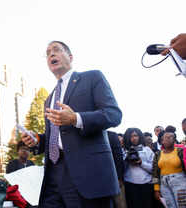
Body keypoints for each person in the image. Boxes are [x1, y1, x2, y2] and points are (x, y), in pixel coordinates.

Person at [22, 40, 122, 207]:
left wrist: (76, 118)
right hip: (53, 174)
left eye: (56, 50)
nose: (51, 54)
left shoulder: (92, 77)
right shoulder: (49, 99)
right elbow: (56, 135)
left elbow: (113, 114)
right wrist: (38, 139)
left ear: (70, 56)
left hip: (87, 173)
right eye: (47, 53)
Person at [152, 126, 186, 208]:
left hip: (179, 181)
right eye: (165, 138)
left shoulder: (180, 151)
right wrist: (156, 189)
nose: (168, 139)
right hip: (164, 184)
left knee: (182, 205)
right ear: (162, 140)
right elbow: (155, 172)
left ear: (175, 140)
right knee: (170, 206)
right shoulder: (158, 154)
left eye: (171, 138)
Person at [123, 128, 155, 208]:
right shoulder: (124, 151)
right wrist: (126, 160)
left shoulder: (147, 149)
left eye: (136, 136)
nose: (134, 138)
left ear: (140, 137)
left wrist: (141, 163)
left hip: (146, 185)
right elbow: (120, 168)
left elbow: (153, 168)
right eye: (131, 136)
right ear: (127, 138)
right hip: (130, 184)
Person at [107, 131, 127, 208]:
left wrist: (120, 178)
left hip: (115, 179)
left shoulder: (112, 136)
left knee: (120, 204)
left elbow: (118, 158)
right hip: (97, 183)